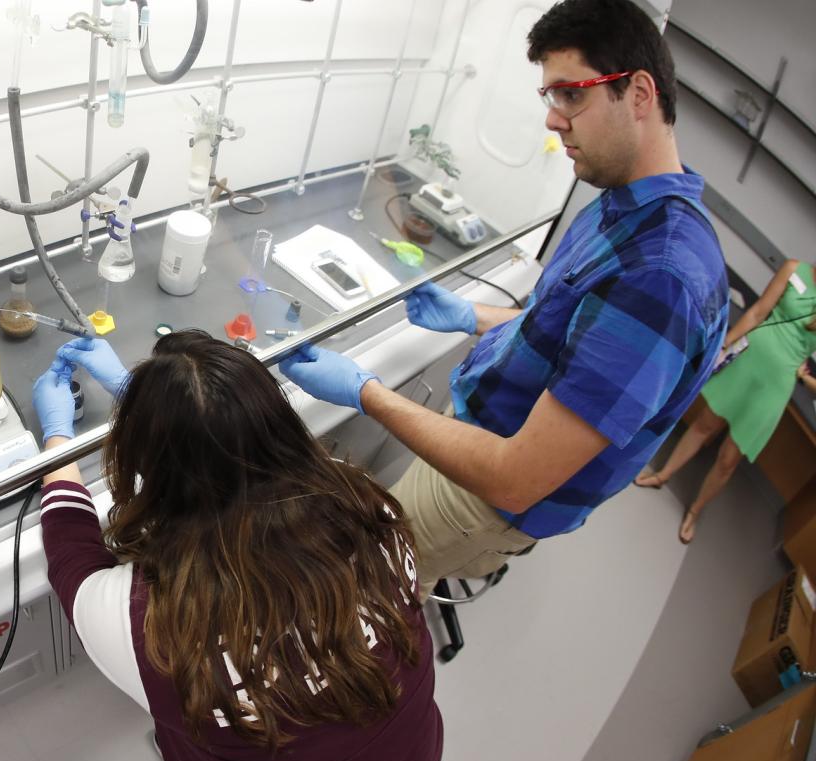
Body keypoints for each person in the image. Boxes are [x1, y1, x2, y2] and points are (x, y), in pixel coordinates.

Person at [279, 0, 728, 596]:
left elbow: (516, 479)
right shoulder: (629, 206)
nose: (552, 119)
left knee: (363, 587)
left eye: (572, 94)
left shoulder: (660, 277)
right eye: (550, 97)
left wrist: (366, 392)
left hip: (484, 497)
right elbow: (568, 332)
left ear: (640, 94)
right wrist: (473, 316)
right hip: (478, 438)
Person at [32, 333, 441, 761]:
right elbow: (238, 454)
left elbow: (71, 551)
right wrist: (157, 408)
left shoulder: (146, 628)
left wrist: (58, 440)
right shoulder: (363, 504)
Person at [636, 260, 816, 543]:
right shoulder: (794, 269)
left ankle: (695, 511)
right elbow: (757, 313)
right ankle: (663, 475)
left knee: (730, 458)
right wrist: (724, 346)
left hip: (776, 384)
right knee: (704, 424)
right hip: (749, 357)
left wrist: (806, 379)